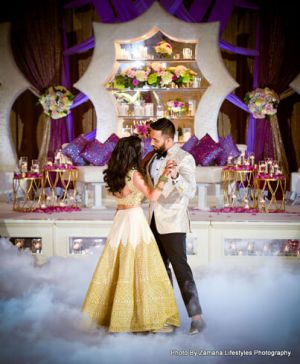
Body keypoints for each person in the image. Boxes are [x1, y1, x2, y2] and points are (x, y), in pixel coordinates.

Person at [81, 135, 180, 333]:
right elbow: (152, 197)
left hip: (120, 219)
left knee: (118, 266)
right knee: (143, 268)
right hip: (134, 220)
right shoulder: (134, 174)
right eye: (140, 149)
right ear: (134, 153)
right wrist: (164, 177)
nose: (143, 151)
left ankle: (114, 315)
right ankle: (145, 318)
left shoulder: (116, 173)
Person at [145, 118, 205, 335]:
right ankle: (166, 318)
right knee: (159, 271)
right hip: (152, 220)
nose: (151, 142)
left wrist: (176, 176)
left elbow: (190, 191)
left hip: (173, 221)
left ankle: (197, 317)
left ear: (168, 139)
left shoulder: (184, 158)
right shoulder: (152, 158)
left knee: (181, 270)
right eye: (150, 137)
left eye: (155, 139)